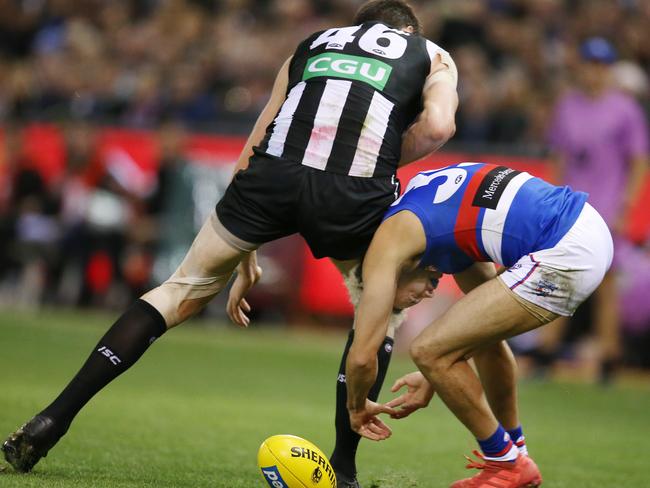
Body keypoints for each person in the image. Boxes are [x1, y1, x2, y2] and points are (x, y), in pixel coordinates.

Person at [2, 2, 458, 487]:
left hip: (270, 180)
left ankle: (52, 419)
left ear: (358, 26)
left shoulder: (315, 42)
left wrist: (246, 246)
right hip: (353, 189)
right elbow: (438, 127)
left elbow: (263, 133)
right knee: (377, 309)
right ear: (409, 31)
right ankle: (343, 468)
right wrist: (383, 153)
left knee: (178, 289)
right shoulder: (432, 55)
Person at [344, 162, 612, 487]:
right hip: (586, 227)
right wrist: (435, 377)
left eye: (398, 299)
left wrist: (356, 407)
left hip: (566, 247)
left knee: (428, 350)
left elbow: (361, 356)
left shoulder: (390, 244)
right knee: (464, 346)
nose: (428, 294)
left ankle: (506, 463)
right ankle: (517, 456)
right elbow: (483, 332)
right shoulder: (430, 211)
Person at [540, 37, 648, 382]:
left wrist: (626, 204)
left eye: (601, 65)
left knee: (606, 283)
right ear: (582, 66)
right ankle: (547, 349)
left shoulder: (624, 108)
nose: (595, 72)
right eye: (590, 64)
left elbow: (638, 160)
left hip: (606, 205)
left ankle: (609, 355)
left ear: (609, 69)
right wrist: (552, 197)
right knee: (558, 275)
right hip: (572, 203)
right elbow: (559, 156)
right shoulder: (568, 105)